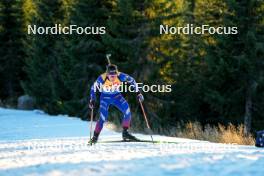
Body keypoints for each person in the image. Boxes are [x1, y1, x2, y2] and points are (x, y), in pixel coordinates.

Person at [89, 64, 144, 144]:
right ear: (107, 74)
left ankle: (125, 133)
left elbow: (132, 81)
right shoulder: (102, 78)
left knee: (127, 111)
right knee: (103, 117)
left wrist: (138, 93)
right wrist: (92, 99)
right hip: (105, 98)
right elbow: (93, 88)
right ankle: (95, 137)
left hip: (116, 97)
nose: (113, 77)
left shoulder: (121, 76)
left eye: (115, 75)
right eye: (111, 76)